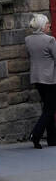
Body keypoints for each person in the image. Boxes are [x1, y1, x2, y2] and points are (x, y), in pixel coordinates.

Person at [25, 12, 56, 148]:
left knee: (47, 107)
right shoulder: (50, 40)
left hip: (37, 78)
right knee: (50, 109)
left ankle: (52, 139)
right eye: (47, 23)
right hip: (50, 79)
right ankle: (36, 134)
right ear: (43, 27)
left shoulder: (28, 40)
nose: (50, 25)